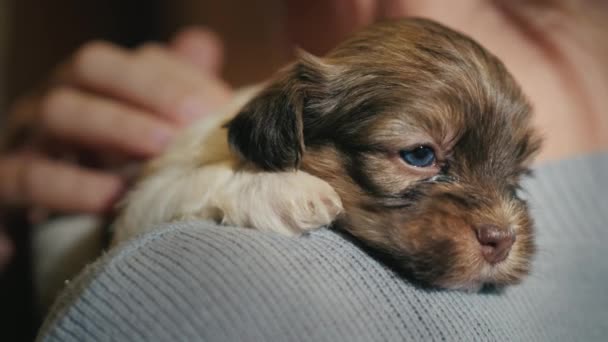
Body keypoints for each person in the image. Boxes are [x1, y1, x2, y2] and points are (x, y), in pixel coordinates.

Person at [1, 0, 608, 339]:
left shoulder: (190, 292)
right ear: (284, 131)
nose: (501, 224)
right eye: (420, 156)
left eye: (513, 178)